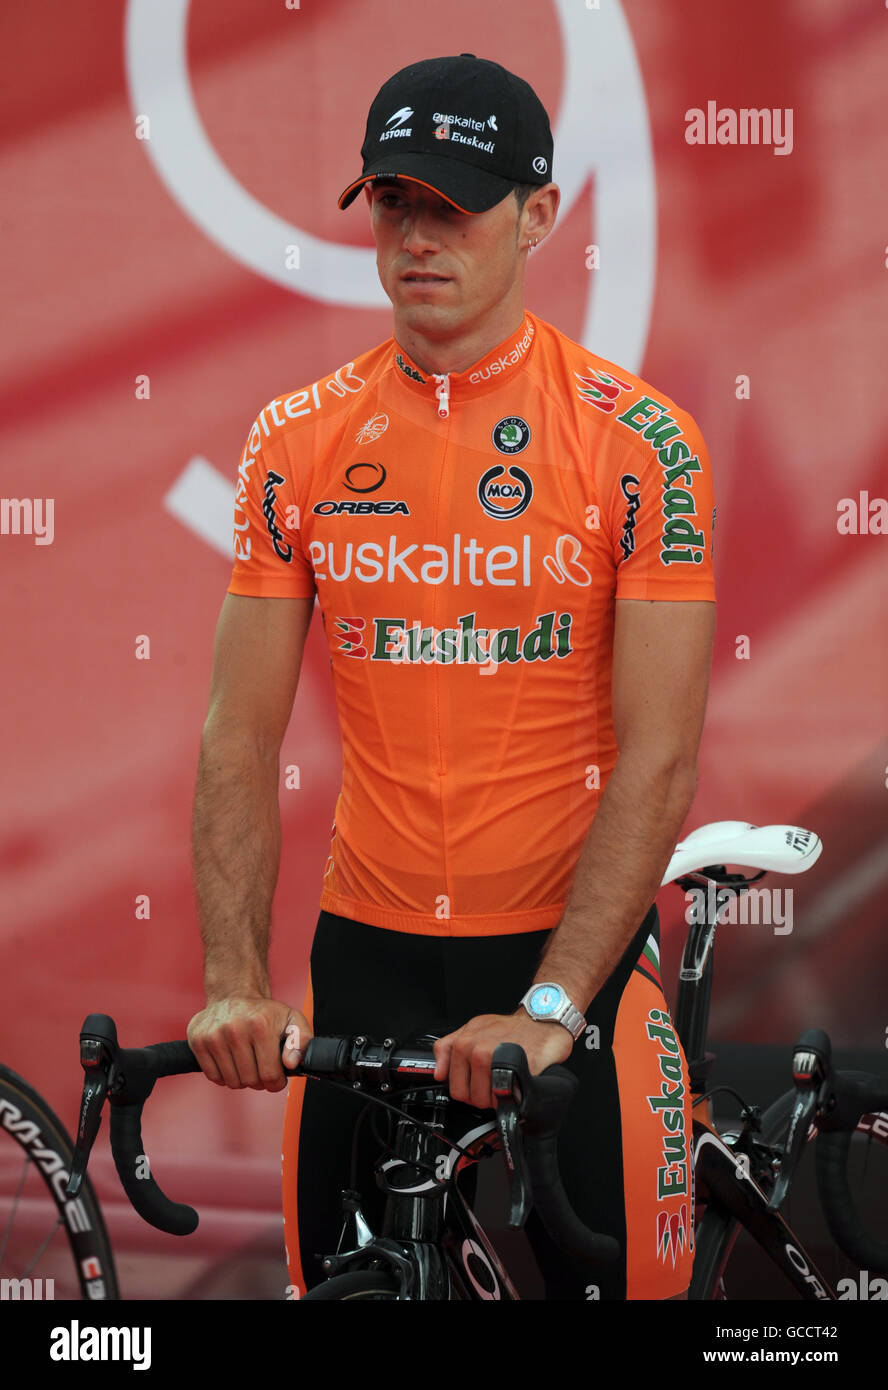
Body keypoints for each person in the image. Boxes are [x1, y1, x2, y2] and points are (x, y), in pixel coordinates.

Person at [187, 53, 716, 1301]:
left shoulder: (638, 442)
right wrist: (231, 981)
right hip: (366, 955)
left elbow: (663, 756)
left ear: (537, 215)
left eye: (454, 206)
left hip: (566, 962)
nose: (418, 237)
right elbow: (235, 733)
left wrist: (548, 1003)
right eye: (393, 203)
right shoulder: (295, 438)